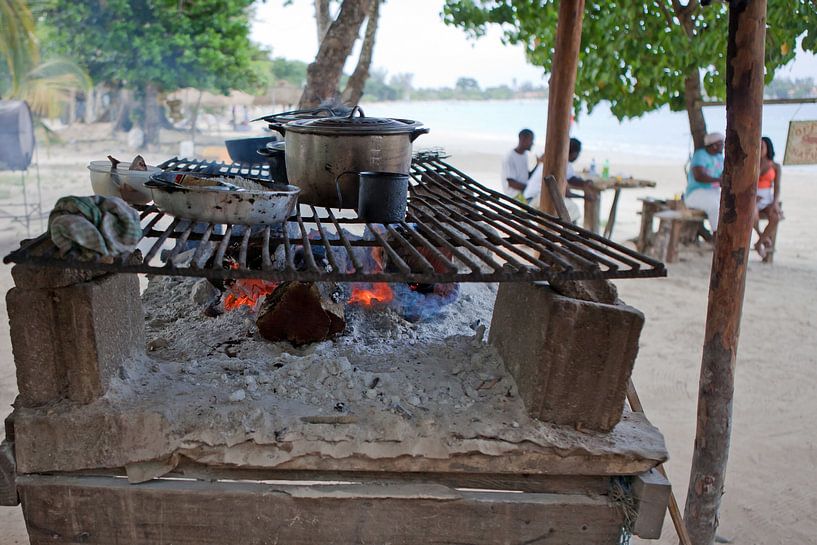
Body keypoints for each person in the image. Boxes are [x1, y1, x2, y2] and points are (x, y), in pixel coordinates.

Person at [685, 132, 724, 232]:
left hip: (714, 192)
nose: (723, 147)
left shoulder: (719, 158)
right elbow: (699, 176)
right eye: (721, 144)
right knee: (716, 207)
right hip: (696, 193)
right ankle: (717, 234)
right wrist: (719, 180)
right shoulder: (700, 155)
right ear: (714, 145)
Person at [753, 136, 782, 258]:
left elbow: (777, 187)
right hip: (753, 197)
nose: (759, 149)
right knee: (752, 214)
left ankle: (759, 243)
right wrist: (753, 196)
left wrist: (775, 202)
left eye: (762, 147)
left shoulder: (775, 166)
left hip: (767, 198)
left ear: (767, 148)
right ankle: (761, 235)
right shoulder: (752, 164)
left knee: (775, 217)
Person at [501, 129, 544, 201]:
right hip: (515, 195)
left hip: (524, 192)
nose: (532, 143)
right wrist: (531, 188)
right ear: (522, 139)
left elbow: (527, 177)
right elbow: (511, 183)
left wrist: (538, 164)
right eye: (531, 140)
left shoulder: (525, 155)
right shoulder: (510, 157)